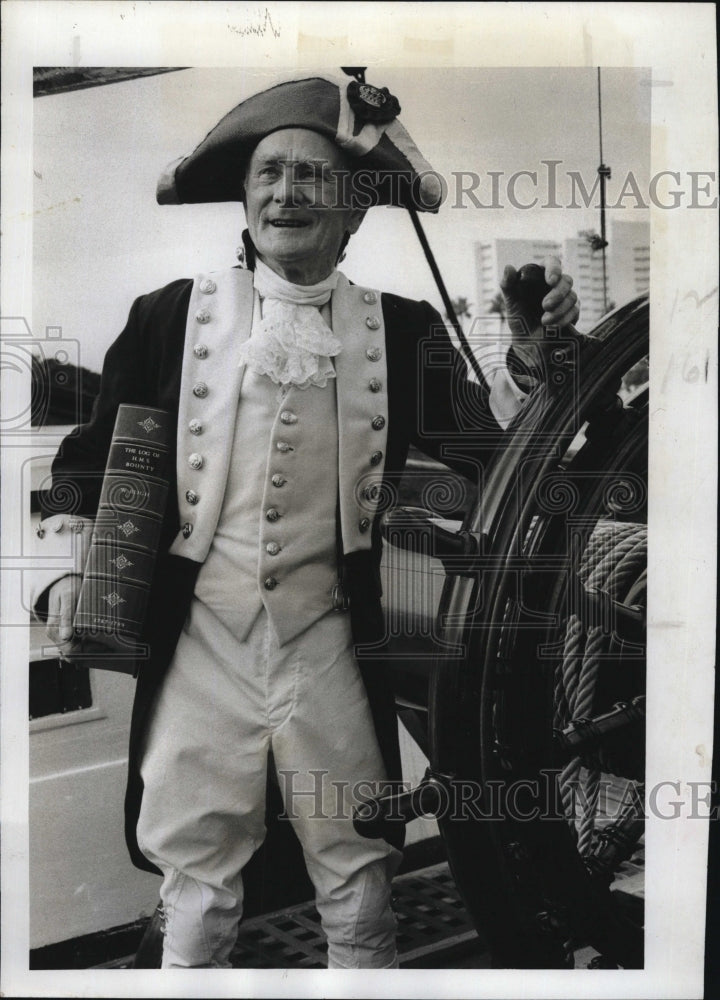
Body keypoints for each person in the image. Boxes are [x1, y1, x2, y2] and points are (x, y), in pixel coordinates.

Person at [33, 71, 580, 969]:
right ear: (245, 200)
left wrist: (531, 350)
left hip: (328, 645)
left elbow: (497, 461)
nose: (287, 193)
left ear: (354, 211)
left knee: (359, 873)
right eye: (269, 173)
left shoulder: (401, 330)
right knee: (195, 882)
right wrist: (66, 573)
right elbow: (83, 466)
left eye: (313, 175)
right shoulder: (168, 317)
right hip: (199, 647)